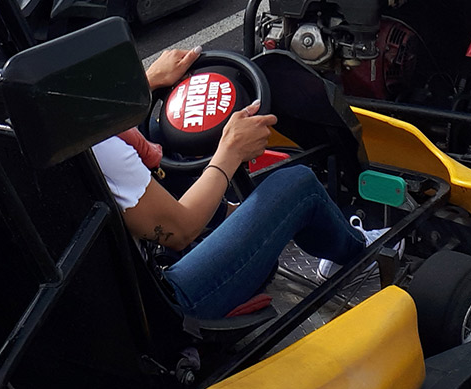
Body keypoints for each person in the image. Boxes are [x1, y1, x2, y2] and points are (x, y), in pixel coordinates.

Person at [91, 47, 387, 318]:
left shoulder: (57, 146)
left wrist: (148, 82)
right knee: (298, 187)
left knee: (157, 136)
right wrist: (231, 150)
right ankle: (363, 258)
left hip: (105, 303)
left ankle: (231, 213)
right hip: (164, 308)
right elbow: (179, 231)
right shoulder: (101, 151)